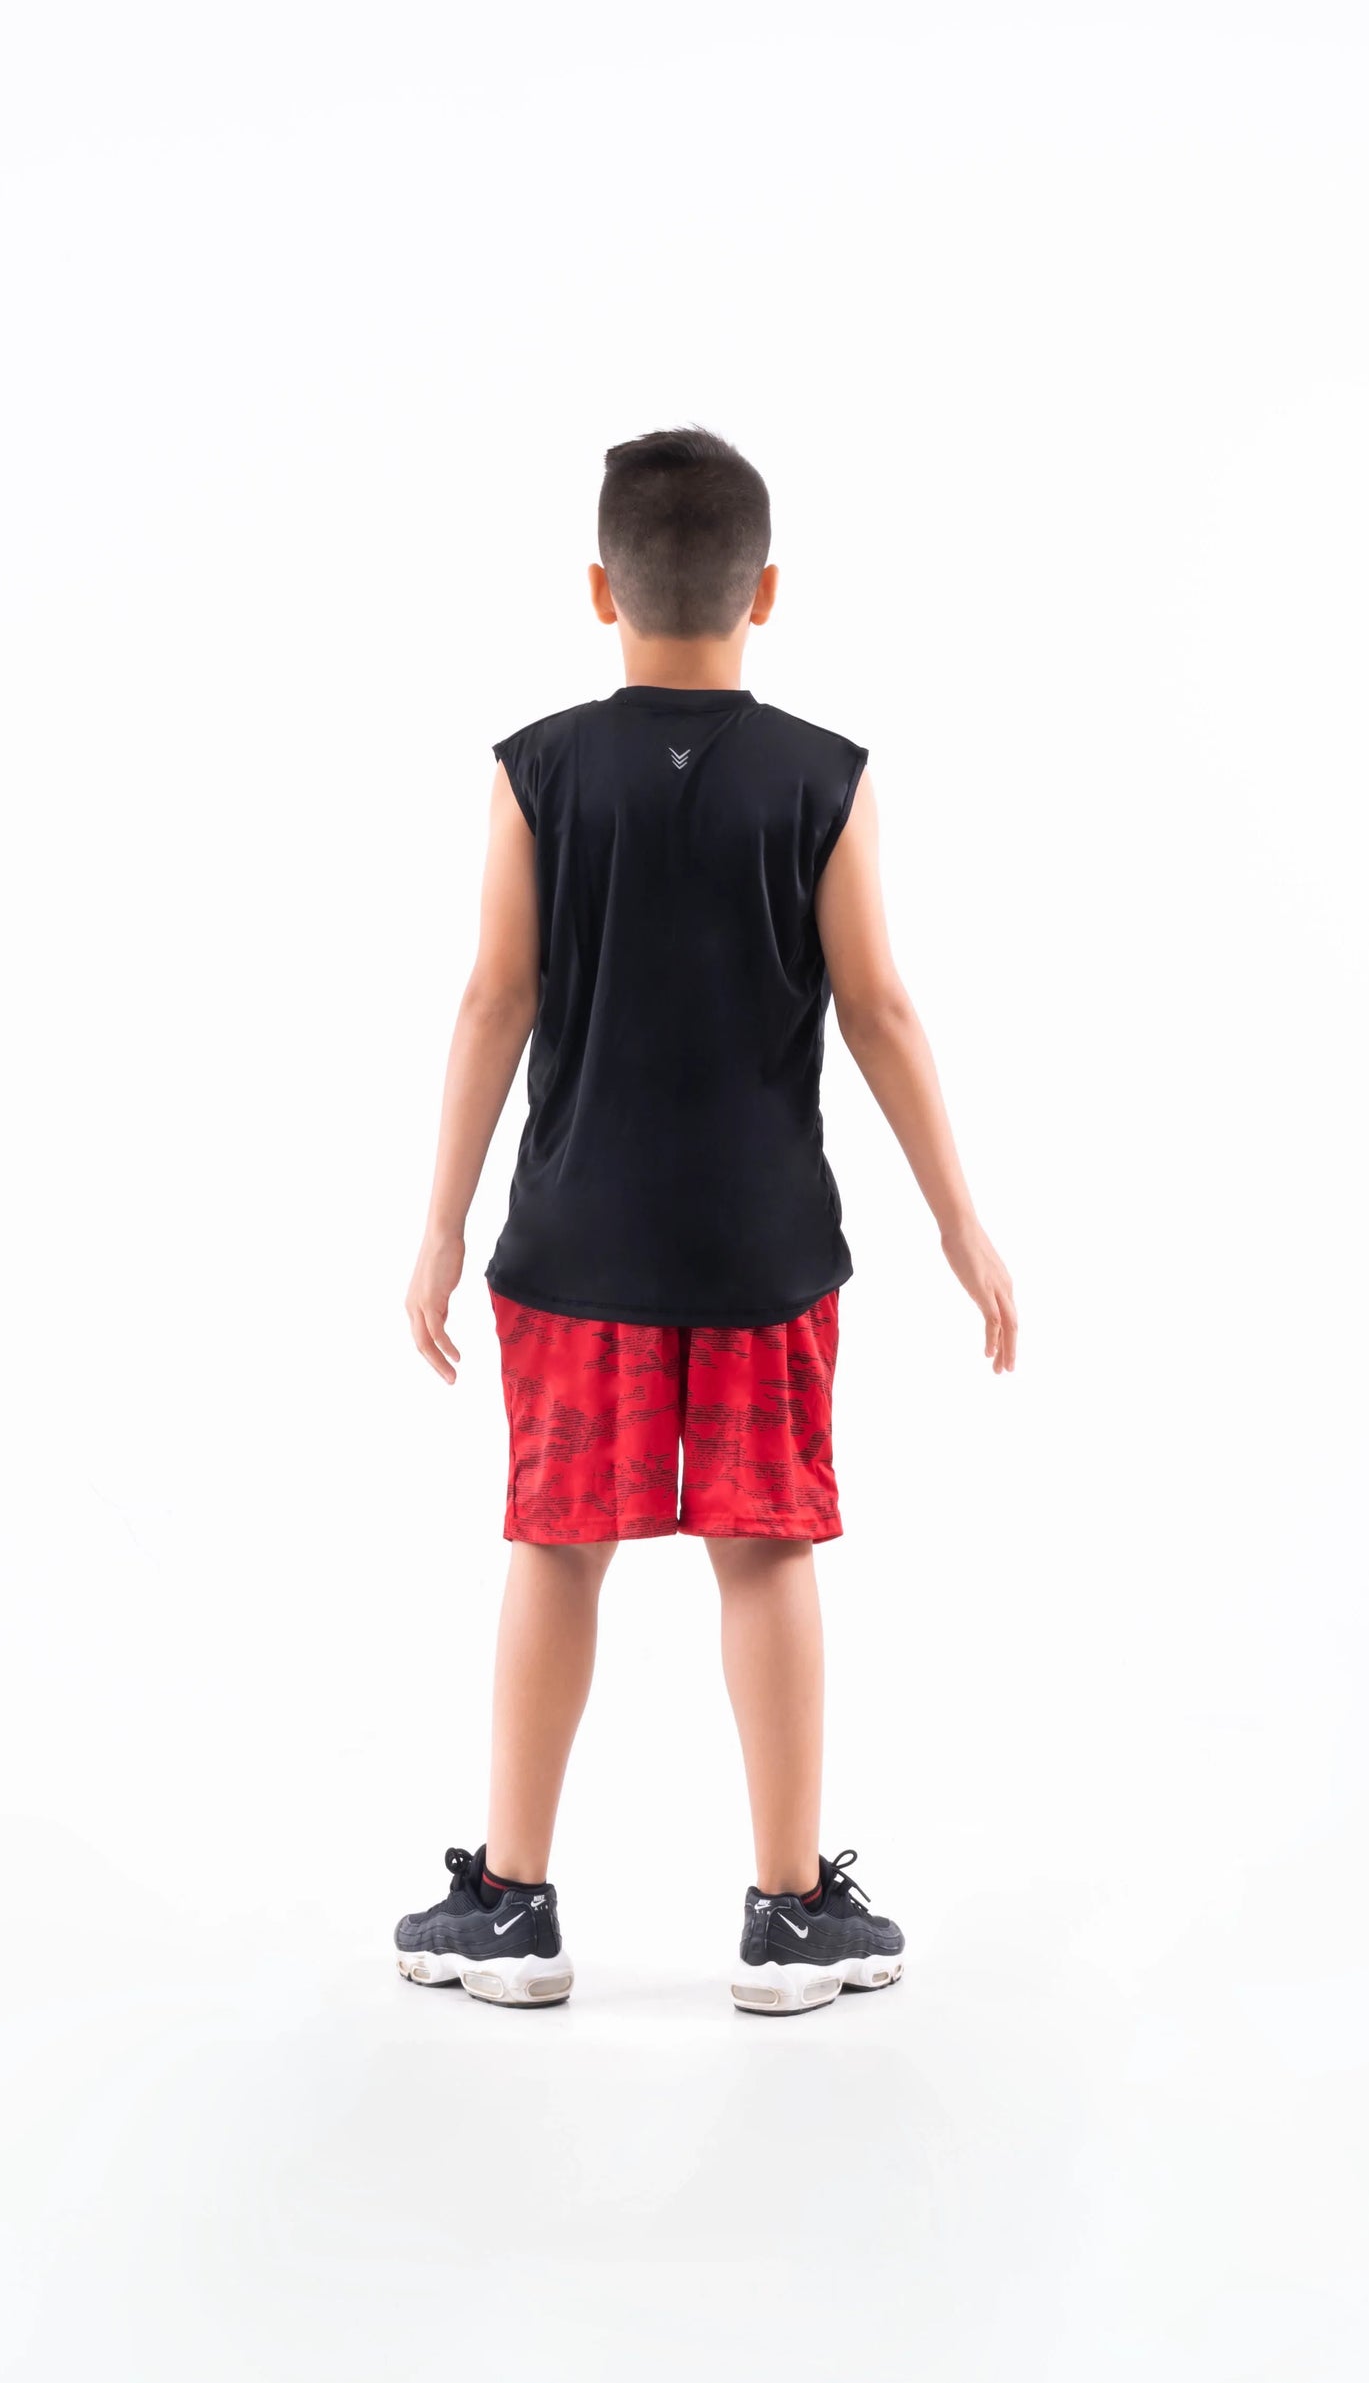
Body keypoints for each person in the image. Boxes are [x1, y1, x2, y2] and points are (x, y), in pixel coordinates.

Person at [393, 426, 1018, 2014]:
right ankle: (790, 1915)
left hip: (575, 1247)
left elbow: (493, 998)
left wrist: (440, 1225)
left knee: (557, 1549)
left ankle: (511, 1909)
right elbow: (878, 1006)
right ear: (767, 590)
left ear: (601, 588)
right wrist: (960, 1221)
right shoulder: (825, 776)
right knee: (766, 1551)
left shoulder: (536, 768)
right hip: (763, 1253)